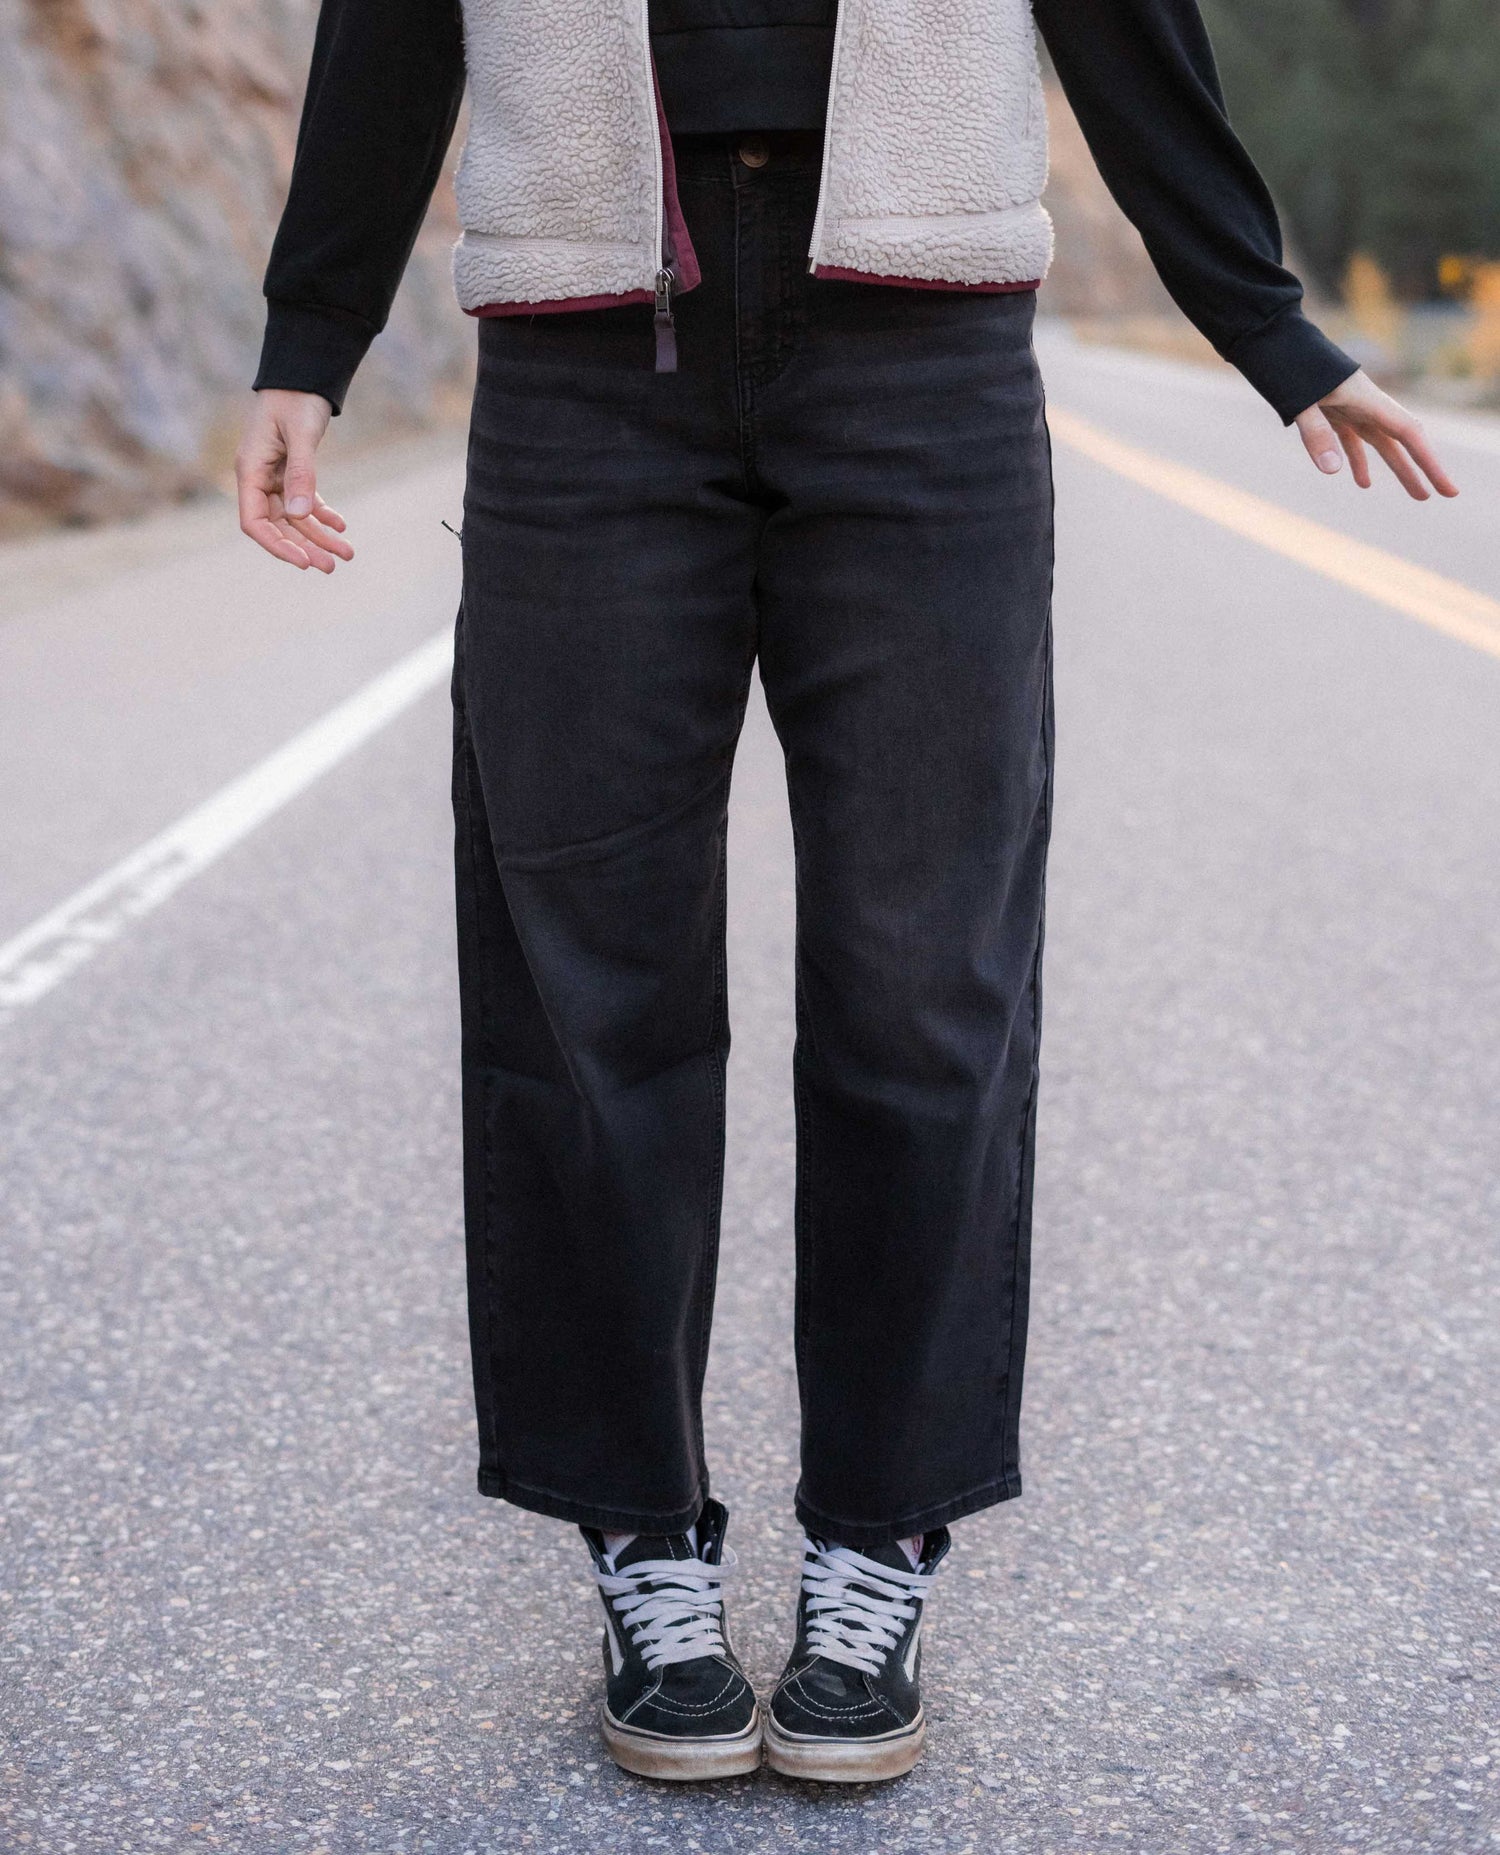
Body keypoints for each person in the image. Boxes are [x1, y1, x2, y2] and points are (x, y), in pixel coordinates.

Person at [237, 0, 1457, 1787]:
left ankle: (877, 1537)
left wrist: (1262, 323)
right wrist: (309, 338)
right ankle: (640, 1535)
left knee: (923, 983)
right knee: (588, 989)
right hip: (590, 370)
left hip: (924, 360)